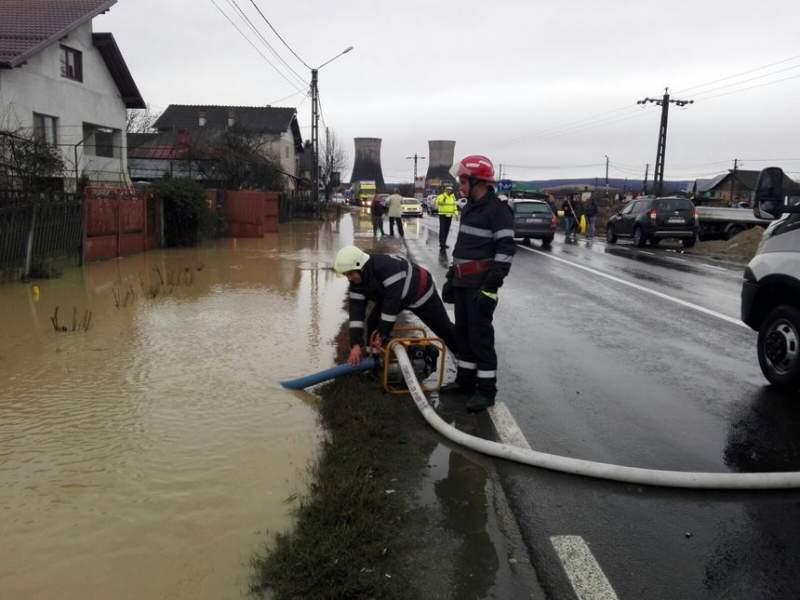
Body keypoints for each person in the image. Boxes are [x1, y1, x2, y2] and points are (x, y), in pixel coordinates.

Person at [440, 155, 514, 413]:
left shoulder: (498, 210)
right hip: (463, 282)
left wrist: (491, 286)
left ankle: (486, 391)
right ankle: (465, 381)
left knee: (480, 338)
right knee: (463, 334)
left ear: (477, 182)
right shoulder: (470, 207)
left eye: (463, 181)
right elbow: (463, 247)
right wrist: (452, 277)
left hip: (481, 285)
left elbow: (505, 250)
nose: (459, 186)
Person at [334, 246, 457, 365]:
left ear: (360, 266)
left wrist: (382, 334)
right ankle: (372, 360)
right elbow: (356, 315)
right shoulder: (357, 282)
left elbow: (390, 309)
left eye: (350, 274)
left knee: (444, 329)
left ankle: (463, 359)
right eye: (346, 275)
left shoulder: (386, 269)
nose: (349, 278)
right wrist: (356, 344)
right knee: (373, 324)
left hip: (421, 293)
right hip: (396, 296)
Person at [435, 184, 459, 250]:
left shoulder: (453, 197)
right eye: (448, 190)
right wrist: (444, 197)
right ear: (445, 190)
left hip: (450, 215)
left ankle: (444, 242)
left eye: (450, 190)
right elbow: (439, 203)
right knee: (442, 229)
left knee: (446, 230)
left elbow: (454, 206)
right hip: (442, 214)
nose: (449, 191)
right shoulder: (441, 196)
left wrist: (456, 214)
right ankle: (442, 243)